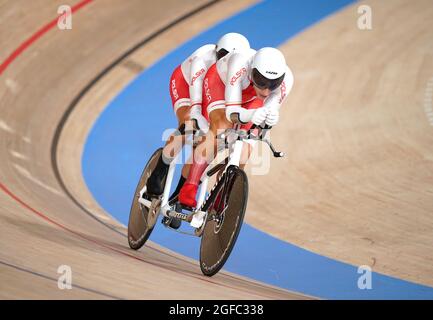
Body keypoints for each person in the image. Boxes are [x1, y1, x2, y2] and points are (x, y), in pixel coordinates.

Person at [178, 47, 294, 208]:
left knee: (245, 149)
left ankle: (222, 195)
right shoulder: (240, 63)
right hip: (219, 83)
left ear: (281, 79)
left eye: (273, 84)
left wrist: (271, 116)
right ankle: (190, 186)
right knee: (221, 126)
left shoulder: (287, 79)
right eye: (261, 81)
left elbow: (270, 108)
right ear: (252, 70)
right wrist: (251, 115)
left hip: (250, 95)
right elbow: (232, 112)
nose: (266, 90)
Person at [145, 33, 250, 200]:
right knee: (189, 124)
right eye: (223, 57)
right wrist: (195, 114)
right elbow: (197, 94)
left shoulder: (243, 67)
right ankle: (160, 170)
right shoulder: (203, 58)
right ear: (216, 52)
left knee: (207, 143)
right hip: (187, 84)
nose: (226, 62)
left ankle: (179, 195)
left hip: (216, 88)